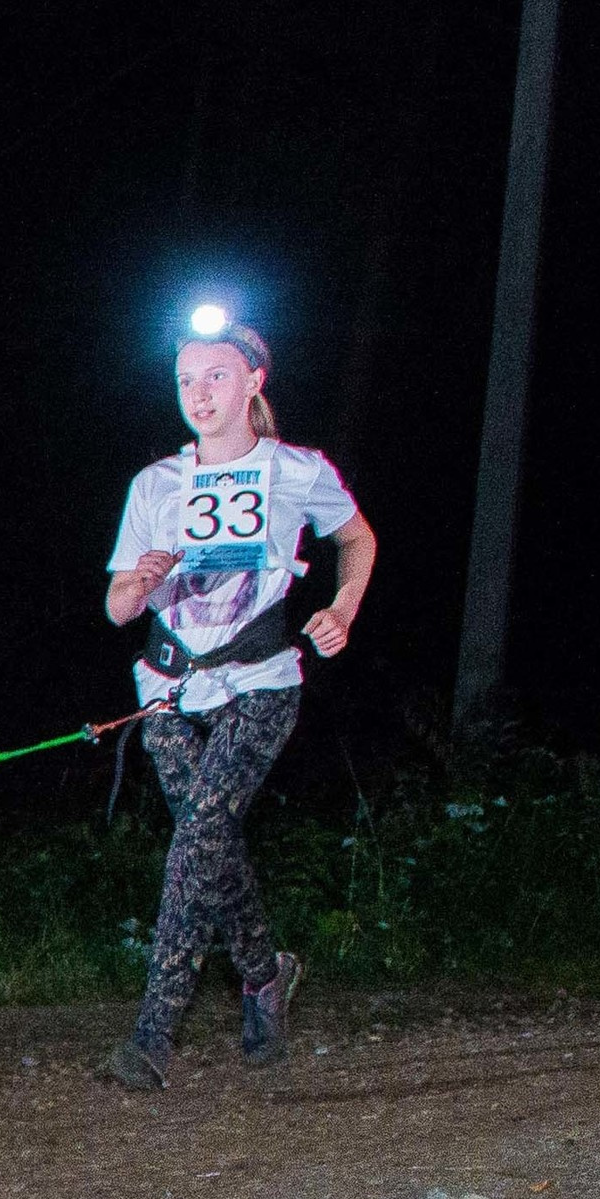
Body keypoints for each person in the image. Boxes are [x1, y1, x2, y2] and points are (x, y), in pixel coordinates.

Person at [102, 319, 376, 1089]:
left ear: (254, 382)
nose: (199, 394)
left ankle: (152, 1038)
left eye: (216, 376)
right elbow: (119, 608)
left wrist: (343, 608)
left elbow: (358, 538)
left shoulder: (298, 470)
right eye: (186, 380)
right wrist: (142, 583)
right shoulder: (154, 484)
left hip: (260, 684)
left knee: (195, 843)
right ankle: (264, 974)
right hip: (166, 693)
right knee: (209, 845)